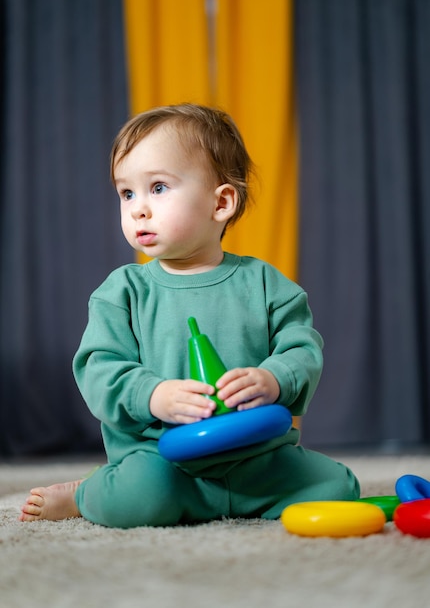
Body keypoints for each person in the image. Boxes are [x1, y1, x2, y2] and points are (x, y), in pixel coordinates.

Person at [20, 103, 360, 528]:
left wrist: (274, 379)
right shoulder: (122, 291)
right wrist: (153, 395)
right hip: (164, 460)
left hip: (257, 457)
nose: (138, 209)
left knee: (340, 488)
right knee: (139, 499)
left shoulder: (266, 283)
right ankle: (88, 491)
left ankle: (233, 496)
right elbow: (98, 368)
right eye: (127, 193)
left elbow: (302, 348)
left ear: (221, 202)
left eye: (158, 188)